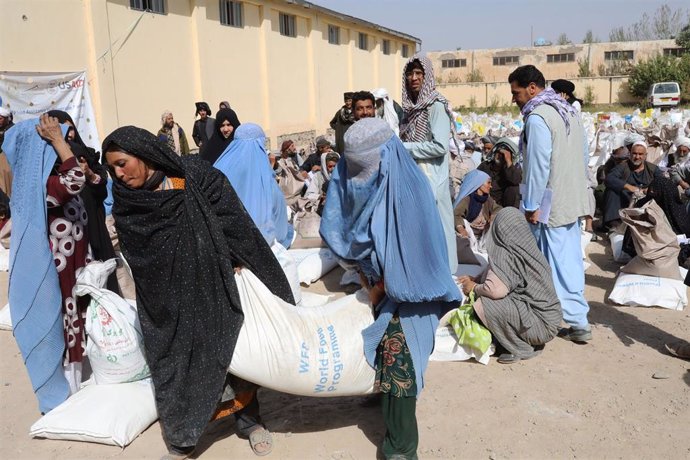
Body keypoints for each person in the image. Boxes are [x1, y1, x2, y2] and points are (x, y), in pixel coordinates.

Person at [102, 125, 294, 459]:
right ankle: (183, 439)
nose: (117, 175)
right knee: (175, 364)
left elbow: (234, 220)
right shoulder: (127, 199)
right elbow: (137, 248)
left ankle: (250, 422)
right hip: (164, 295)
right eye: (111, 168)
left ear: (145, 155)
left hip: (213, 282)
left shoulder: (194, 176)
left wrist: (238, 260)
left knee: (232, 353)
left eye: (122, 163)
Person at [320, 118, 462, 460]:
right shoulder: (355, 181)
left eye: (365, 168)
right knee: (385, 356)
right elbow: (340, 225)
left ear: (385, 159)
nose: (357, 177)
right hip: (377, 288)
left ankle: (401, 448)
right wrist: (369, 280)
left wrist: (380, 287)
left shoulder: (409, 193)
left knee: (401, 363)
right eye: (353, 167)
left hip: (411, 294)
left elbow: (411, 259)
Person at [4, 113, 100, 412]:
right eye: (46, 145)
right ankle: (63, 395)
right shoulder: (41, 186)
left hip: (75, 267)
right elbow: (75, 181)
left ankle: (77, 384)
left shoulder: (49, 178)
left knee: (78, 323)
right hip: (59, 273)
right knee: (65, 325)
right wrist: (59, 141)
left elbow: (87, 180)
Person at [509, 64, 591, 342]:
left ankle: (565, 320)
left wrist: (531, 205)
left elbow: (537, 166)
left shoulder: (538, 117)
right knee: (569, 261)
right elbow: (583, 156)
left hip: (550, 204)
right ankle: (575, 320)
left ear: (532, 88)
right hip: (571, 200)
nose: (514, 99)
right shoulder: (569, 111)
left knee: (552, 264)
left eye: (516, 92)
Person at [458, 207, 562, 363]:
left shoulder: (506, 253)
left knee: (485, 304)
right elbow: (502, 275)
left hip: (539, 324)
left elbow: (495, 291)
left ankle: (515, 347)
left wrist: (473, 287)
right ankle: (527, 340)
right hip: (548, 321)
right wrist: (478, 279)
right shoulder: (527, 249)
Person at [47, 110, 120, 295]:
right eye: (63, 129)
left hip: (94, 223)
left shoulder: (87, 155)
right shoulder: (49, 163)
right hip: (70, 231)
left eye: (70, 128)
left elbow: (102, 190)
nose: (69, 134)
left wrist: (89, 174)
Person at [400, 54, 458, 274]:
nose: (413, 78)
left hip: (433, 176)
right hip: (415, 174)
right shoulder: (410, 109)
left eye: (418, 74)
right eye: (410, 73)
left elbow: (440, 147)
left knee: (439, 228)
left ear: (427, 77)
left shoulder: (435, 105)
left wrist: (405, 148)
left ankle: (446, 273)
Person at [603, 141, 662, 229]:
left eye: (640, 154)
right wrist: (629, 187)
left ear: (645, 155)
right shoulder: (623, 166)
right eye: (634, 154)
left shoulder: (653, 169)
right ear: (630, 154)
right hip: (626, 199)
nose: (637, 157)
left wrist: (649, 189)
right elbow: (609, 178)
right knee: (611, 190)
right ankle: (614, 224)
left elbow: (663, 183)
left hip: (646, 201)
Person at [454, 169, 501, 241]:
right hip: (468, 236)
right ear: (479, 183)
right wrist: (461, 229)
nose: (491, 186)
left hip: (482, 236)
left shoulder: (487, 199)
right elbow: (456, 215)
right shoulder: (467, 199)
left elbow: (497, 208)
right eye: (488, 183)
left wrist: (493, 216)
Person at [477, 137, 522, 208]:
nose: (500, 156)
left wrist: (508, 161)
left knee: (514, 188)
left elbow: (516, 181)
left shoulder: (509, 170)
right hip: (483, 201)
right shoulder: (485, 166)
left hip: (500, 205)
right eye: (499, 152)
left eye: (503, 155)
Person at [275, 139, 306, 206]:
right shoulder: (279, 161)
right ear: (287, 149)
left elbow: (301, 168)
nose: (294, 148)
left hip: (296, 190)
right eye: (292, 146)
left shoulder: (295, 157)